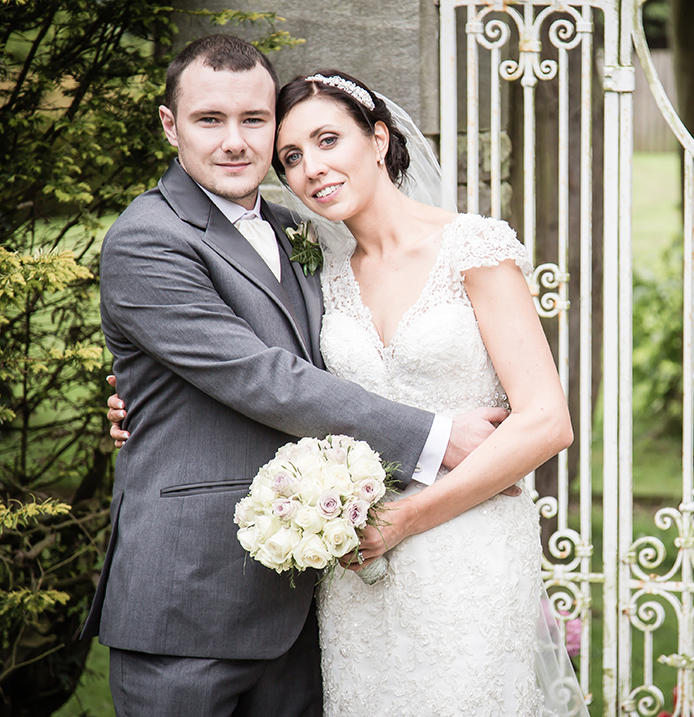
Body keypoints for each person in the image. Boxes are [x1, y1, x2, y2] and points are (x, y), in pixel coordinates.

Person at [84, 34, 506, 717]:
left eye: (254, 121)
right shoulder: (148, 238)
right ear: (170, 125)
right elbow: (264, 377)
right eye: (208, 119)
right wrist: (433, 436)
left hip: (306, 596)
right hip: (188, 600)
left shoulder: (300, 231)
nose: (233, 141)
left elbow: (333, 356)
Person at [269, 70, 582, 715]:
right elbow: (273, 380)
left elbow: (546, 421)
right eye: (292, 158)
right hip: (359, 567)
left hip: (470, 550)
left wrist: (407, 517)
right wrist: (143, 408)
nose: (311, 169)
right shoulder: (316, 271)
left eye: (328, 140)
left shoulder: (473, 247)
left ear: (379, 138)